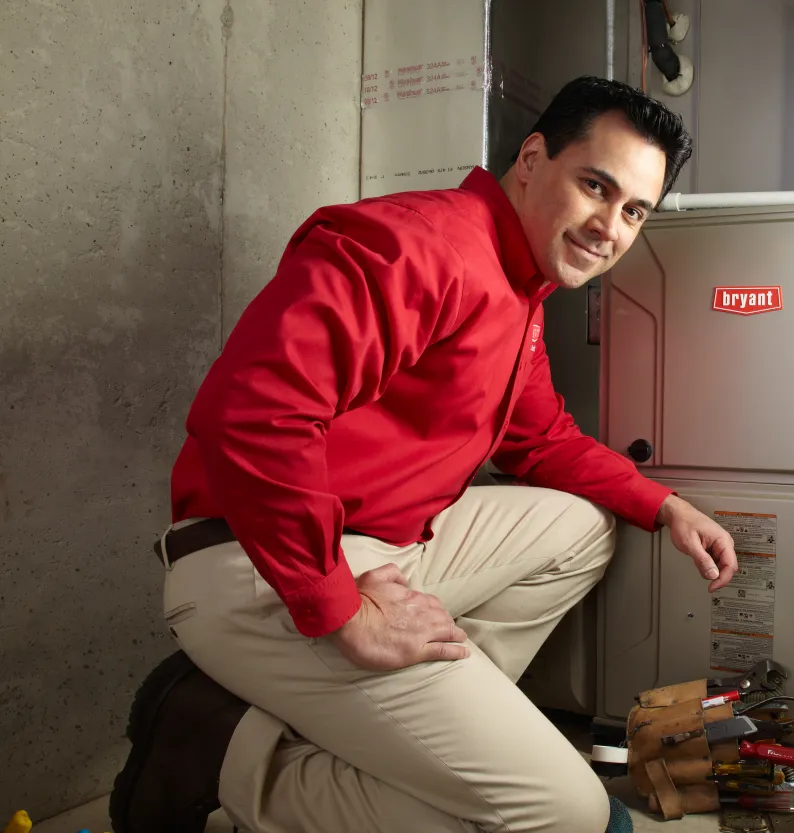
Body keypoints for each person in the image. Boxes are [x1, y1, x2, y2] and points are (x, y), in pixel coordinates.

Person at [110, 76, 738, 833]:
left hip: (376, 546)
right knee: (569, 820)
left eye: (634, 209)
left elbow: (541, 439)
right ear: (533, 158)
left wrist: (665, 504)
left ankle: (405, 724)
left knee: (582, 526)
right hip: (256, 564)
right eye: (595, 186)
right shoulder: (417, 245)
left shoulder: (520, 288)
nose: (610, 225)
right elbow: (254, 412)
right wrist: (340, 612)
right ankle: (227, 757)